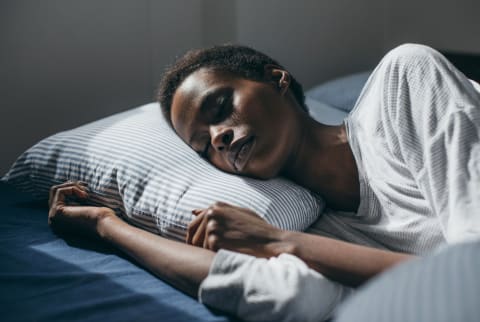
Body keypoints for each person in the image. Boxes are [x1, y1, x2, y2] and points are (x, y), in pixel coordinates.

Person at [47, 43, 480, 321]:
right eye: (204, 148)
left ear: (277, 79)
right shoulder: (316, 229)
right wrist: (108, 226)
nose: (218, 138)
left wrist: (276, 241)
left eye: (220, 108)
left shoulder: (404, 80)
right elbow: (264, 291)